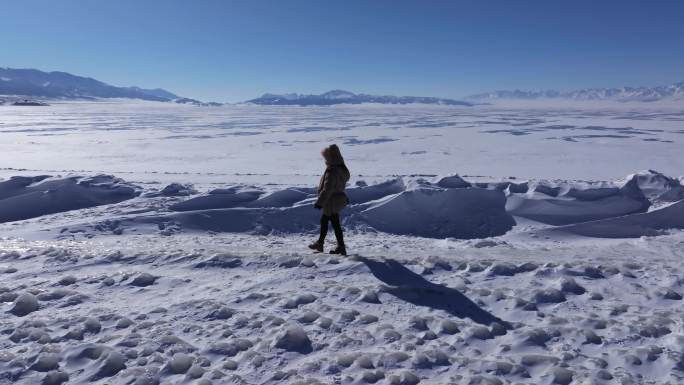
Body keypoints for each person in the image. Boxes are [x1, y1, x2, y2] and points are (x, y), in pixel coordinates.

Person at [309, 144, 350, 255]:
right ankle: (320, 243)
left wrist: (320, 203)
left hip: (331, 201)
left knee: (335, 224)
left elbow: (328, 189)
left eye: (326, 157)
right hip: (337, 199)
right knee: (325, 221)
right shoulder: (342, 168)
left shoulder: (332, 171)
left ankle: (340, 247)